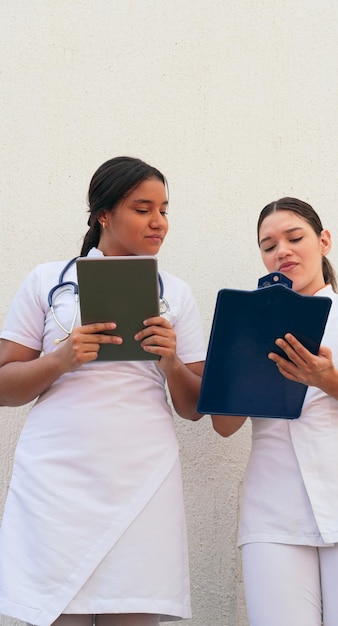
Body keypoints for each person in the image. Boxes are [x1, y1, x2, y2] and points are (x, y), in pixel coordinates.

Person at [0, 156, 206, 626]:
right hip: (58, 479)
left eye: (165, 209)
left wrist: (170, 360)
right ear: (104, 215)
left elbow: (194, 409)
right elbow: (4, 387)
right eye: (143, 208)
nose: (159, 222)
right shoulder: (47, 281)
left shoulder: (175, 294)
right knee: (58, 612)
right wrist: (60, 360)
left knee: (132, 614)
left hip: (143, 477)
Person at [211, 197, 338, 626]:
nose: (281, 250)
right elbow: (223, 426)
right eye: (268, 245)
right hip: (274, 512)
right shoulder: (247, 323)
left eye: (294, 237)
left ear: (324, 241)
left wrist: (328, 379)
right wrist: (240, 353)